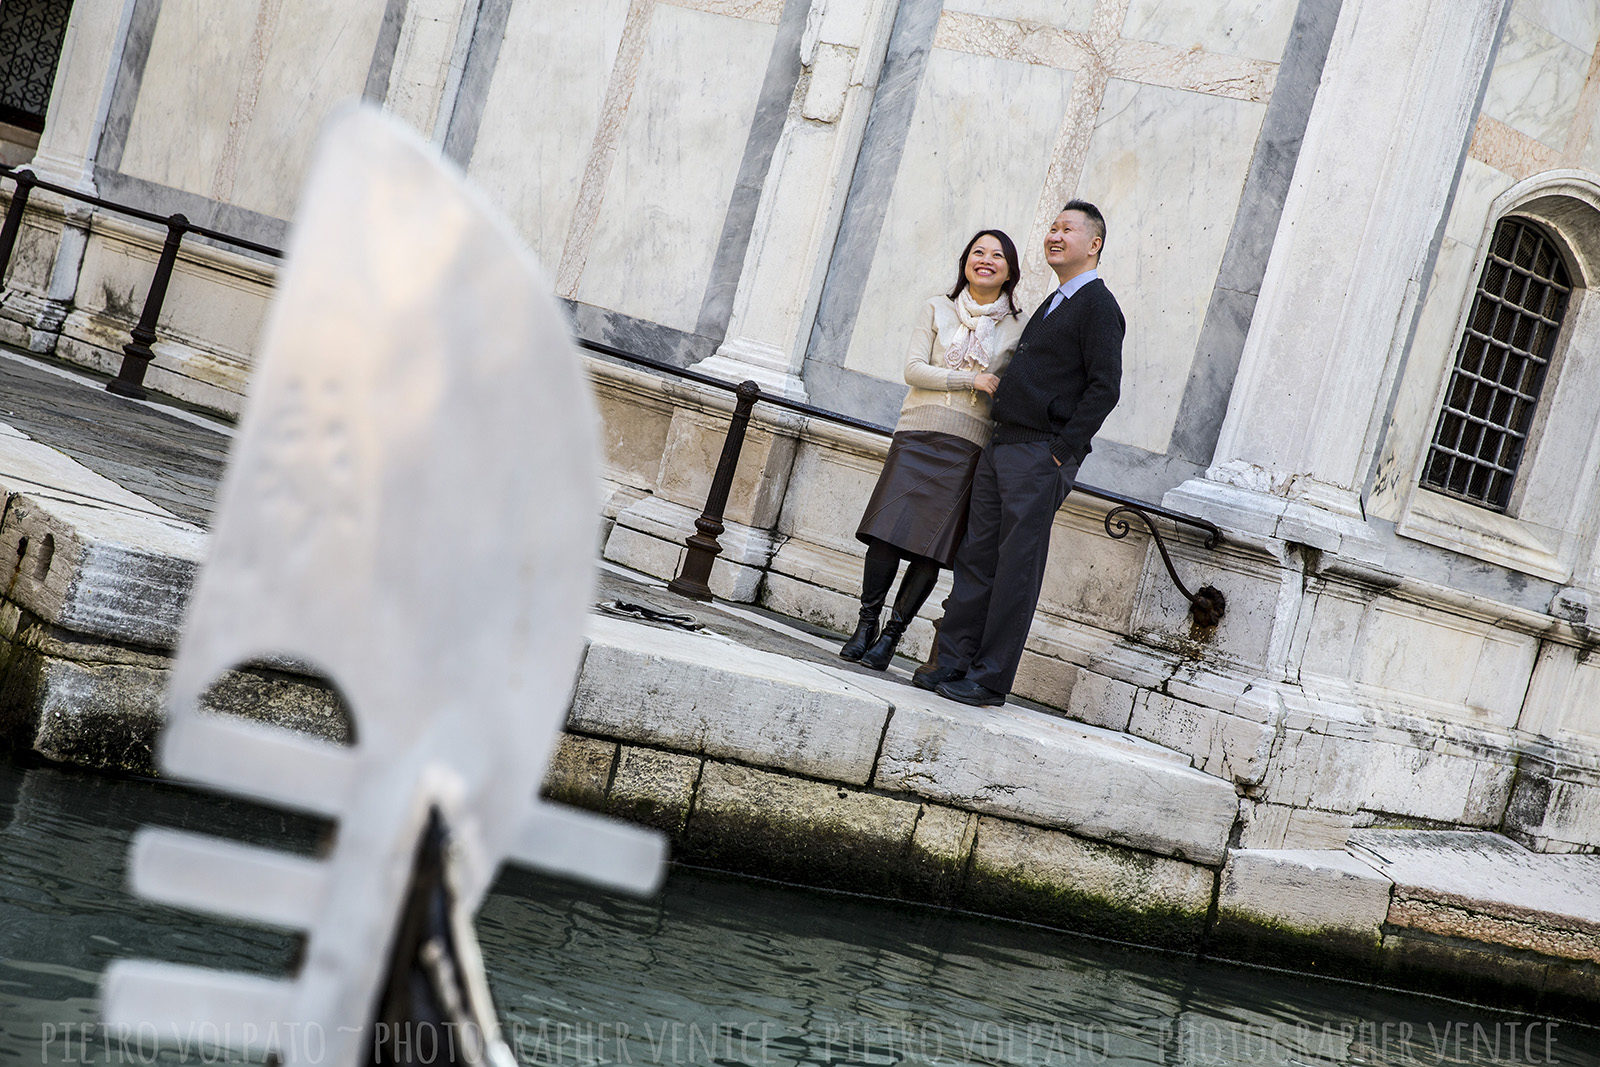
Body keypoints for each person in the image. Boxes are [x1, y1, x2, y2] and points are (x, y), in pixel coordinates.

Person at [914, 201, 1123, 706]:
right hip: (1002, 445)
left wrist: (1062, 451)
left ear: (1093, 245)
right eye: (1053, 227)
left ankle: (988, 680)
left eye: (1067, 229)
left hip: (1038, 455)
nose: (1055, 235)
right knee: (978, 558)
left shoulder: (1098, 305)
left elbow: (1105, 388)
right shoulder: (1053, 303)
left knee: (1016, 568)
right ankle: (954, 661)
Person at [840, 229, 1028, 670]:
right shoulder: (937, 308)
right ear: (965, 261)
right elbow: (913, 370)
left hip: (969, 445)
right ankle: (865, 626)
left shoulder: (1020, 325)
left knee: (930, 547)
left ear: (1010, 270)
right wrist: (969, 379)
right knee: (887, 535)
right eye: (978, 252)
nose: (986, 260)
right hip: (917, 433)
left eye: (997, 255)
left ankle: (891, 638)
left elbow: (1012, 387)